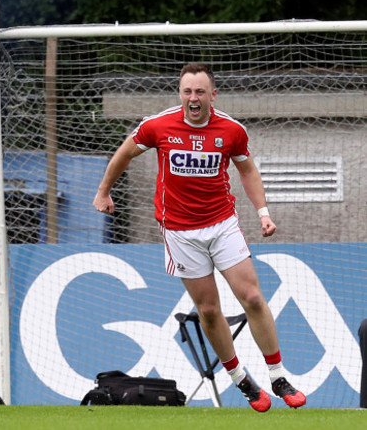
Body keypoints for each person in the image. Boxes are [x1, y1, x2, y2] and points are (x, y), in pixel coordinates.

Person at [93, 63, 306, 412]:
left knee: (252, 296)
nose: (194, 98)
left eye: (200, 92)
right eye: (187, 92)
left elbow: (247, 169)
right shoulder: (158, 125)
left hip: (222, 224)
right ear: (180, 94)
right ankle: (241, 379)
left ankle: (278, 375)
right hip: (179, 231)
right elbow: (125, 152)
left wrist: (263, 213)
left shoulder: (231, 130)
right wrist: (104, 192)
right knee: (208, 310)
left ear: (213, 95)